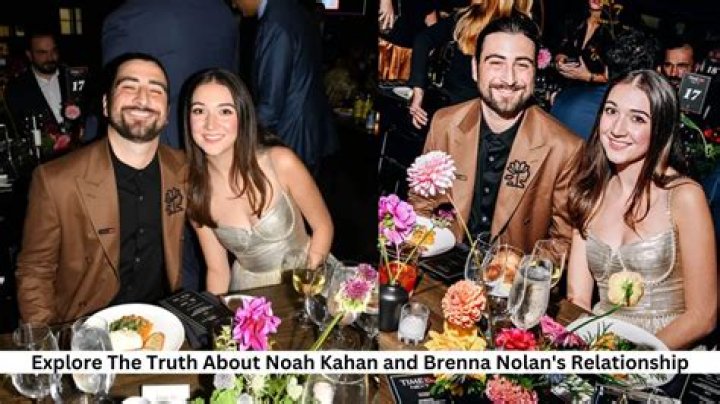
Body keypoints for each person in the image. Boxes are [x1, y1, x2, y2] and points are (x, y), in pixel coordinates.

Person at [15, 53, 187, 325]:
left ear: (166, 112)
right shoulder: (55, 181)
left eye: (156, 90)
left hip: (162, 326)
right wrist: (49, 342)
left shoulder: (185, 170)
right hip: (86, 329)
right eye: (129, 86)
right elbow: (35, 271)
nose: (143, 98)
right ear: (106, 105)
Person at [409, 13, 583, 254]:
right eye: (496, 63)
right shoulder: (445, 123)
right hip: (443, 262)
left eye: (522, 64)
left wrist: (518, 271)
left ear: (535, 71)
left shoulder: (566, 148)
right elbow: (421, 203)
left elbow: (564, 241)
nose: (509, 79)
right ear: (475, 69)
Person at [567, 70, 717, 349]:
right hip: (601, 350)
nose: (617, 129)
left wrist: (633, 363)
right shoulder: (589, 192)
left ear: (660, 128)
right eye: (611, 111)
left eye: (637, 118)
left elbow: (703, 316)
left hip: (666, 354)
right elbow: (579, 300)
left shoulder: (684, 197)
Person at [182, 68, 334, 293]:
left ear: (243, 117)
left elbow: (323, 227)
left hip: (308, 277)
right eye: (199, 111)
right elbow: (217, 270)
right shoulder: (194, 188)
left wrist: (306, 287)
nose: (210, 124)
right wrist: (214, 311)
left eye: (225, 111)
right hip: (249, 294)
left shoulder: (280, 162)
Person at [100, 0, 239, 149]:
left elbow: (115, 91)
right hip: (214, 137)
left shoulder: (126, 17)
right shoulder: (223, 12)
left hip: (153, 141)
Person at [233, 0, 337, 174]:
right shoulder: (293, 9)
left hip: (292, 135)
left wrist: (238, 137)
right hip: (308, 132)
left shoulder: (275, 22)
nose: (234, 5)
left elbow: (271, 104)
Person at [408, 0, 532, 129]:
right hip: (484, 108)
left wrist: (418, 94)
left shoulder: (467, 16)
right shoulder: (518, 25)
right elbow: (424, 39)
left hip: (456, 105)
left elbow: (423, 39)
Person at [4, 31, 79, 154]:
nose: (50, 57)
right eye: (42, 53)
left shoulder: (73, 77)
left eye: (54, 50)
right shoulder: (17, 89)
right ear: (29, 55)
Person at [550, 0, 613, 139]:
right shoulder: (574, 21)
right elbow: (561, 48)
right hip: (562, 95)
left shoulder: (615, 32)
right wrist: (560, 60)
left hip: (590, 107)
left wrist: (588, 76)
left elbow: (615, 76)